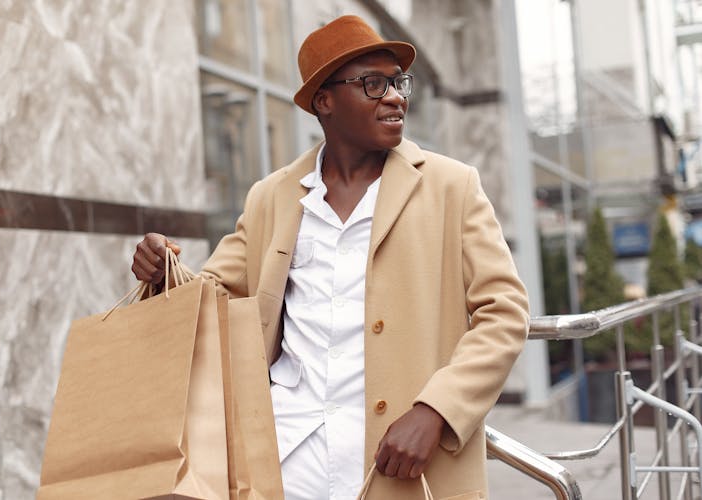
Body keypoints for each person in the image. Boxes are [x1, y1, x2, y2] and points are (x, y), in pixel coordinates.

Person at [132, 15, 529, 500]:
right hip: (285, 458)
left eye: (398, 82)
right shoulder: (271, 198)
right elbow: (212, 298)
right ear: (324, 101)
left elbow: (504, 314)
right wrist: (162, 270)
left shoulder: (452, 186)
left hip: (397, 463)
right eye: (373, 83)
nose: (396, 96)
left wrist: (437, 411)